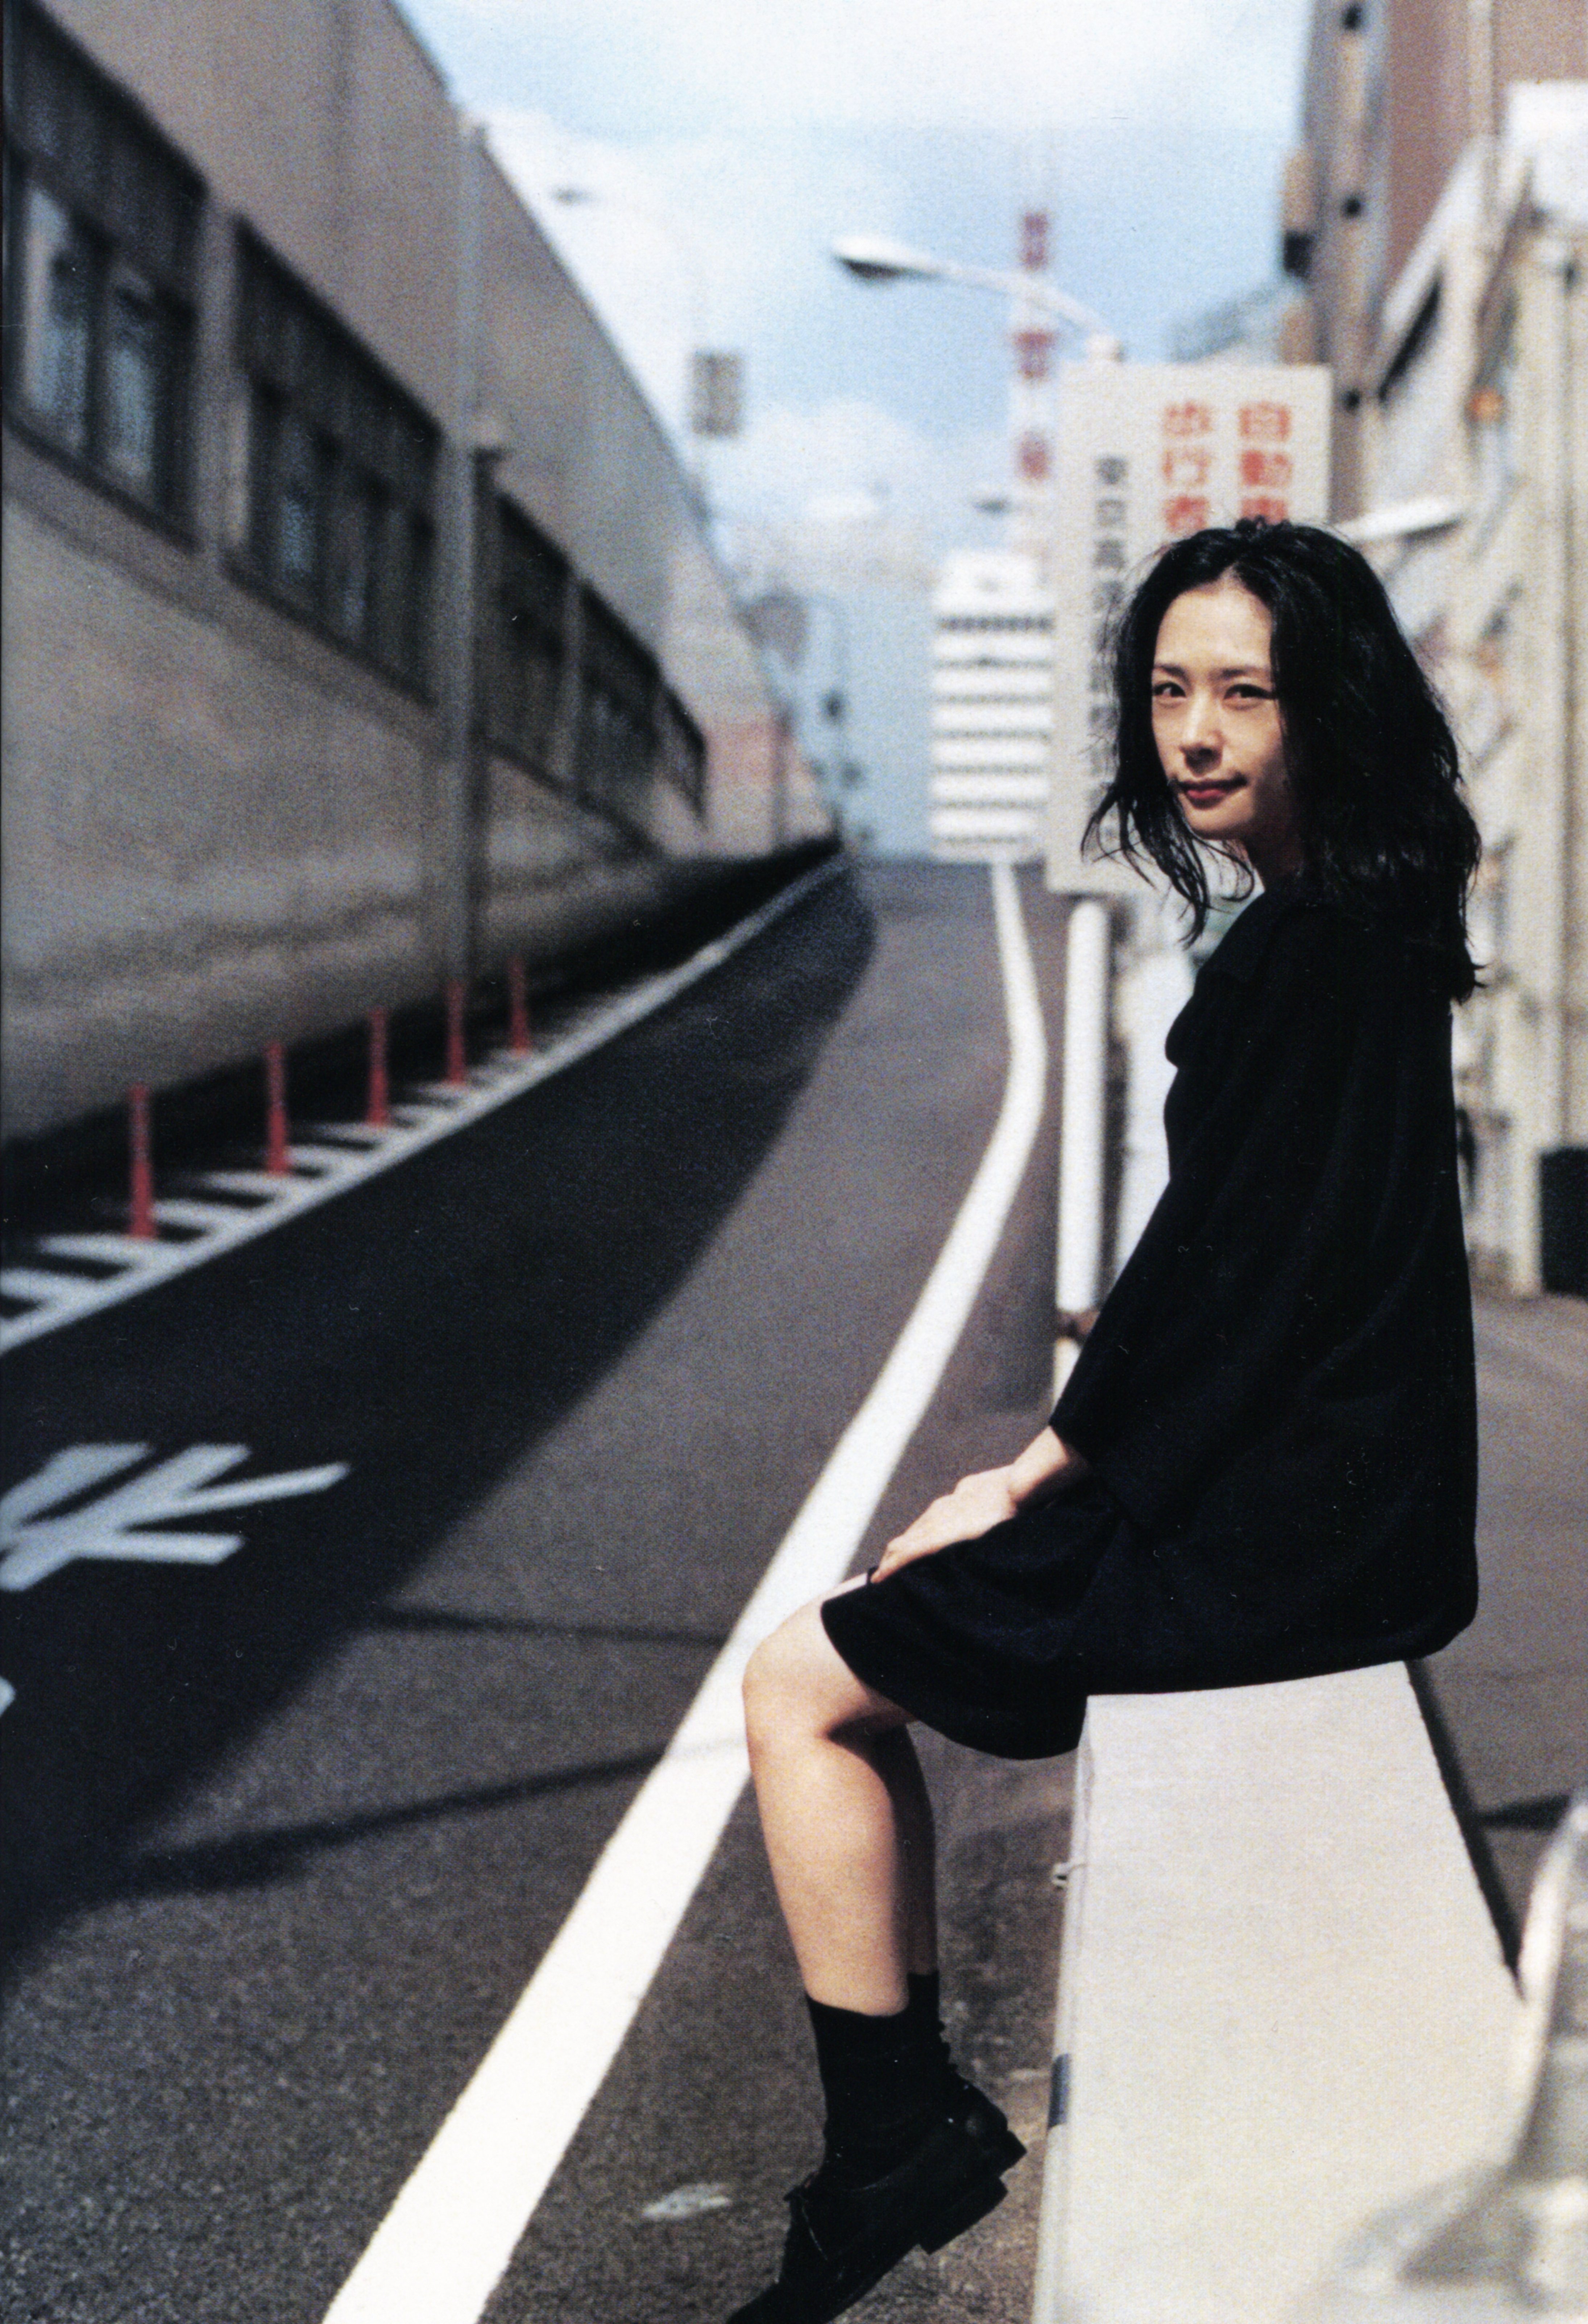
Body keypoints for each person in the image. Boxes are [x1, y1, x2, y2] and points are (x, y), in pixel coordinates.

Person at [726, 520, 1484, 2324]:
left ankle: (890, 2139)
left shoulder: (1305, 949)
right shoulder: (1358, 926)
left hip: (1277, 1532)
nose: (1195, 731)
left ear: (1325, 710)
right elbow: (1232, 1262)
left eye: (1245, 693)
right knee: (860, 1656)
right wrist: (1049, 1466)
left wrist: (1033, 1473)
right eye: (1167, 691)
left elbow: (1237, 1283)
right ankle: (892, 2134)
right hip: (1340, 1511)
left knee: (801, 1679)